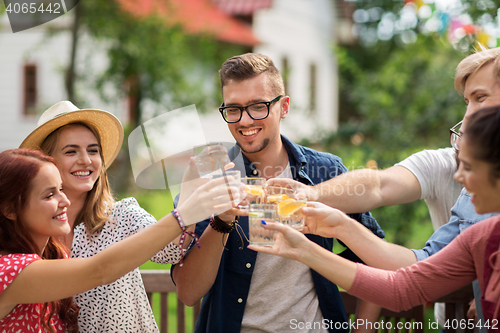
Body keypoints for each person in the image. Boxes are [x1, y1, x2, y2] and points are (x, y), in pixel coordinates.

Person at [269, 46, 500, 326]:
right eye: (467, 101)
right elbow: (406, 284)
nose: (459, 177)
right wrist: (332, 225)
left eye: (480, 98)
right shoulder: (478, 227)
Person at [171, 53, 385, 333]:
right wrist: (221, 221)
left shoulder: (326, 171)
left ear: (283, 107)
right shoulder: (208, 177)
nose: (244, 121)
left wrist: (363, 329)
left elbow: (374, 252)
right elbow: (188, 293)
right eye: (233, 109)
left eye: (258, 106)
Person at [0, 148, 239, 332]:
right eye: (49, 195)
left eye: (61, 189)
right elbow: (101, 269)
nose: (64, 200)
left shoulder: (53, 253)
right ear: (9, 209)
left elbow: (167, 251)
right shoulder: (9, 270)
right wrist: (184, 214)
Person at [18, 101, 205, 331]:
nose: (86, 160)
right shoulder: (33, 232)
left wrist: (190, 199)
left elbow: (170, 250)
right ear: (47, 162)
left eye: (93, 150)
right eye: (71, 151)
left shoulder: (122, 215)